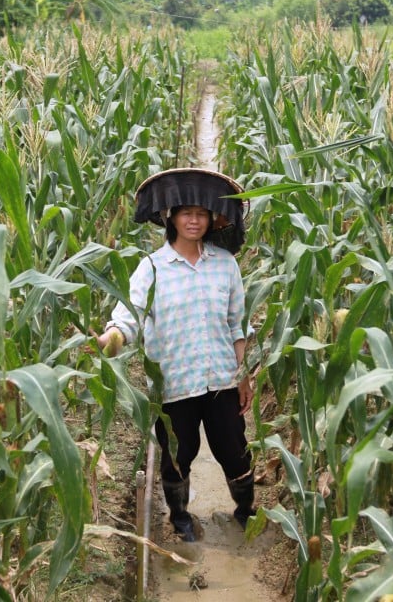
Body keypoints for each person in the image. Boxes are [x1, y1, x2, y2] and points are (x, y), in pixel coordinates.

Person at [97, 168, 255, 542]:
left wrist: (245, 374)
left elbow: (238, 325)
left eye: (201, 213)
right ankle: (180, 517)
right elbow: (129, 318)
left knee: (234, 451)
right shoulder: (151, 269)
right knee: (177, 457)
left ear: (213, 218)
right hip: (174, 385)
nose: (194, 220)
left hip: (221, 380)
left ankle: (246, 510)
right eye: (186, 213)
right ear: (171, 216)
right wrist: (111, 337)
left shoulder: (225, 265)